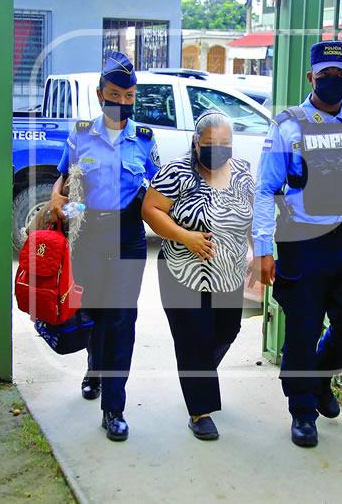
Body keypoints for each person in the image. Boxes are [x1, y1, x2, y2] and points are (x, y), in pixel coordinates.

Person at [252, 40, 342, 448]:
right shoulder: (287, 126)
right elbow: (265, 189)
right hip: (302, 240)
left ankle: (319, 379)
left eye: (340, 74)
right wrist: (263, 249)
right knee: (303, 328)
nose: (333, 80)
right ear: (311, 77)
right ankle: (302, 411)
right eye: (325, 74)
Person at [36, 51, 159, 441]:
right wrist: (58, 201)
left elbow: (157, 188)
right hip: (87, 232)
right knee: (90, 311)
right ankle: (94, 367)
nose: (122, 101)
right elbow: (62, 184)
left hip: (128, 235)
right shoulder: (80, 136)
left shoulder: (144, 139)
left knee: (122, 319)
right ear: (99, 93)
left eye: (129, 96)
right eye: (114, 94)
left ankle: (114, 407)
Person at [141, 111, 254, 441]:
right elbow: (150, 209)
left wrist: (257, 254)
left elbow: (250, 215)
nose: (219, 149)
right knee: (194, 338)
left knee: (227, 330)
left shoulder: (242, 172)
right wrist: (185, 236)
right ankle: (200, 411)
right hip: (182, 272)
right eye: (210, 143)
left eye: (225, 143)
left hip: (228, 273)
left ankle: (199, 372)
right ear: (196, 143)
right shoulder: (176, 171)